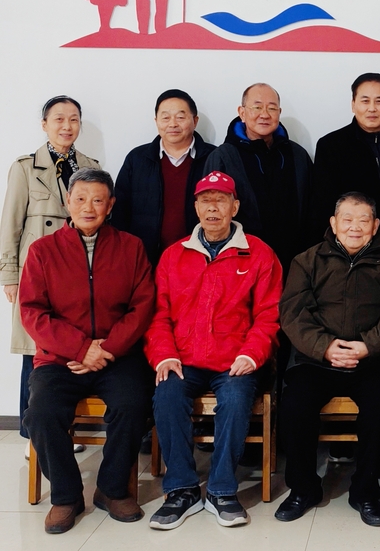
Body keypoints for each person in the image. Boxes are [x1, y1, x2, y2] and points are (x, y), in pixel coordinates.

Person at [19, 168, 155, 534]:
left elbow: (142, 306)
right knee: (41, 413)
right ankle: (66, 496)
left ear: (110, 205)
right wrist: (80, 349)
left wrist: (105, 349)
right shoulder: (43, 250)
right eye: (80, 199)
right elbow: (32, 312)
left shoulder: (131, 247)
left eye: (98, 200)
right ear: (68, 202)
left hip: (117, 356)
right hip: (60, 358)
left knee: (134, 404)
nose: (88, 207)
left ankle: (112, 489)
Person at [145, 171, 282, 530]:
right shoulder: (174, 255)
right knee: (166, 395)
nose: (213, 208)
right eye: (205, 201)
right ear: (195, 208)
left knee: (236, 399)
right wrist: (165, 355)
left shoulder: (259, 253)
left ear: (235, 207)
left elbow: (269, 315)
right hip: (183, 359)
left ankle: (221, 490)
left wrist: (251, 354)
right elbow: (157, 314)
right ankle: (182, 490)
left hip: (234, 361)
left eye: (221, 201)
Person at [276, 192, 380, 526]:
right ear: (333, 224)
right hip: (317, 360)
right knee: (294, 406)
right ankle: (304, 489)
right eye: (347, 219)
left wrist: (367, 346)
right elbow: (292, 314)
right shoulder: (307, 260)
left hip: (372, 361)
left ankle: (365, 492)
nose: (355, 227)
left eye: (363, 220)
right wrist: (324, 347)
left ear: (375, 225)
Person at [0, 96, 100, 450]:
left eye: (73, 119)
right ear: (44, 124)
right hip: (37, 272)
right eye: (59, 119)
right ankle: (33, 437)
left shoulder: (90, 166)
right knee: (35, 351)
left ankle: (64, 431)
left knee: (68, 347)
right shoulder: (25, 168)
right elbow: (10, 223)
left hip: (77, 272)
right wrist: (10, 274)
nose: (66, 126)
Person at [204, 83, 312, 275]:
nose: (264, 114)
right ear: (242, 112)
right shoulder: (223, 157)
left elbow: (311, 209)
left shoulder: (297, 155)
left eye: (272, 108)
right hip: (240, 263)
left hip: (295, 262)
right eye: (257, 107)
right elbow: (212, 213)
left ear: (279, 113)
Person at [311, 73, 380, 257]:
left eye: (379, 101)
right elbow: (322, 206)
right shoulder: (330, 145)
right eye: (365, 101)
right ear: (353, 105)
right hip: (347, 248)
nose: (372, 108)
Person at [114, 89, 216, 266]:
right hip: (145, 260)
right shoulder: (137, 159)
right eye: (166, 117)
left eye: (180, 117)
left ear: (195, 121)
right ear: (156, 121)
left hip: (201, 258)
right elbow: (120, 211)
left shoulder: (214, 158)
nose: (173, 124)